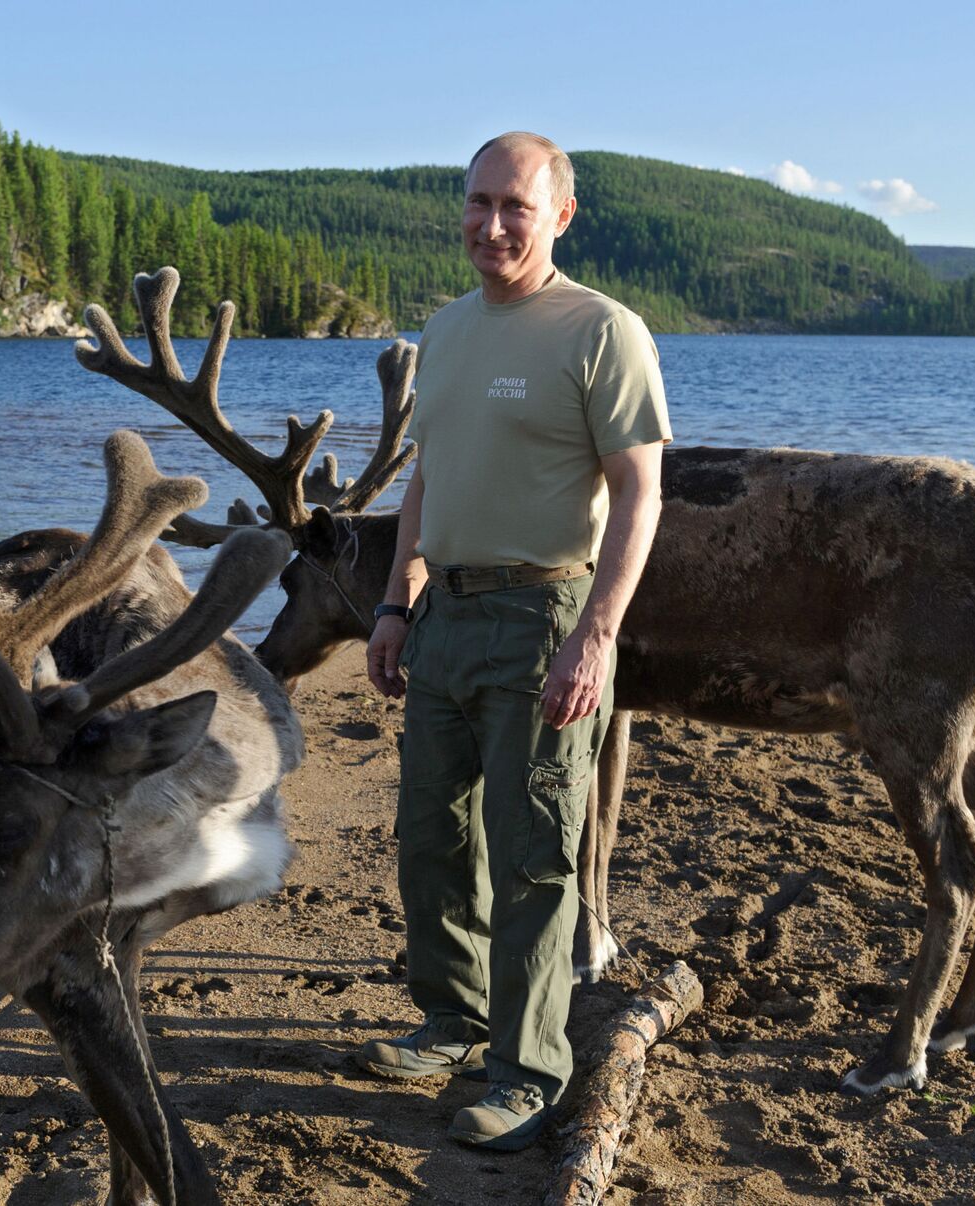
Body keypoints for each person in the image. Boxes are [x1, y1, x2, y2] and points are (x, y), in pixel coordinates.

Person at [359, 131, 671, 1151]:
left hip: (546, 619)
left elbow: (640, 492)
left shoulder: (602, 330)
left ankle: (530, 1070)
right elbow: (425, 482)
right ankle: (452, 1019)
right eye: (479, 202)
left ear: (560, 215)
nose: (493, 224)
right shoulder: (446, 332)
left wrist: (597, 637)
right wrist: (397, 603)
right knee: (432, 838)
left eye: (516, 208)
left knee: (535, 857)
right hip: (445, 614)